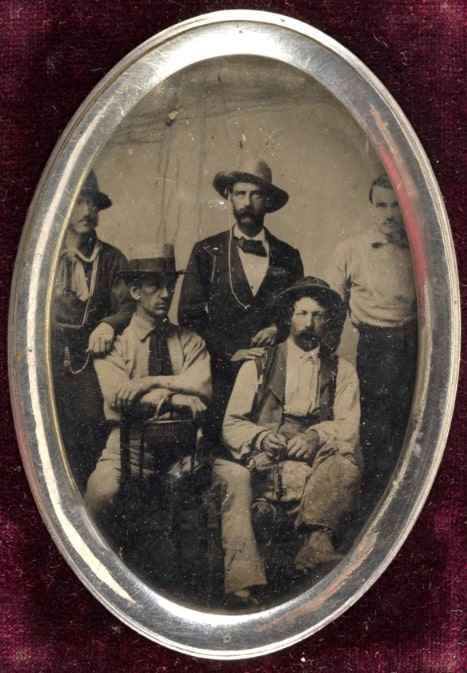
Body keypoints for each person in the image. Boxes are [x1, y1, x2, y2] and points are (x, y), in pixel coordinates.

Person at [212, 277, 362, 608]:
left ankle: (317, 543)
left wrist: (314, 435)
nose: (309, 323)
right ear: (288, 317)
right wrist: (262, 436)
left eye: (319, 315)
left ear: (329, 321)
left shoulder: (343, 370)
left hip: (319, 463)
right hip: (270, 460)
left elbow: (348, 426)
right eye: (302, 313)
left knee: (345, 461)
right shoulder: (258, 363)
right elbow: (231, 424)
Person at [85, 245, 211, 549]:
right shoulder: (115, 345)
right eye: (156, 285)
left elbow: (202, 387)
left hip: (184, 451)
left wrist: (146, 383)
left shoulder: (190, 341)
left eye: (170, 284)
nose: (166, 294)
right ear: (135, 291)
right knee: (100, 494)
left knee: (234, 479)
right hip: (129, 448)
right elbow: (117, 396)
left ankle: (240, 588)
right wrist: (172, 399)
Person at [178, 158, 304, 440]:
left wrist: (279, 329)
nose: (247, 202)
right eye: (240, 194)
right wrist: (229, 351)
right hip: (219, 372)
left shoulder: (288, 255)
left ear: (268, 200)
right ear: (229, 197)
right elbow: (188, 315)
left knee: (268, 448)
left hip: (271, 374)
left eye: (256, 194)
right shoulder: (206, 250)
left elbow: (300, 311)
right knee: (218, 456)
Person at [327, 174, 417, 510]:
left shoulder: (418, 251)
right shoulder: (351, 250)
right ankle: (373, 510)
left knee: (409, 427)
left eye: (397, 204)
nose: (390, 213)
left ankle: (404, 509)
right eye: (382, 205)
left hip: (413, 349)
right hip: (374, 348)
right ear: (371, 208)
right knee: (374, 432)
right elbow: (333, 309)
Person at [53, 170, 134, 492]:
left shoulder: (112, 259)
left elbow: (129, 306)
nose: (88, 211)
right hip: (48, 360)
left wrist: (107, 324)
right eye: (78, 203)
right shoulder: (46, 257)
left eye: (93, 205)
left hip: (90, 362)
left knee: (89, 428)